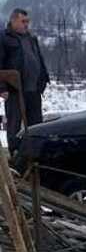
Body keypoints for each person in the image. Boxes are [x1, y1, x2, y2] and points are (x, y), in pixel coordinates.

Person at [0, 8, 49, 153]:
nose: (26, 25)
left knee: (36, 125)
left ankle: (35, 156)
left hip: (34, 90)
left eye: (28, 21)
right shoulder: (4, 38)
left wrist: (43, 79)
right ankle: (15, 156)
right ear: (13, 20)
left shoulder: (31, 39)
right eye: (23, 21)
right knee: (14, 126)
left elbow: (38, 59)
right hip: (15, 90)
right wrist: (2, 87)